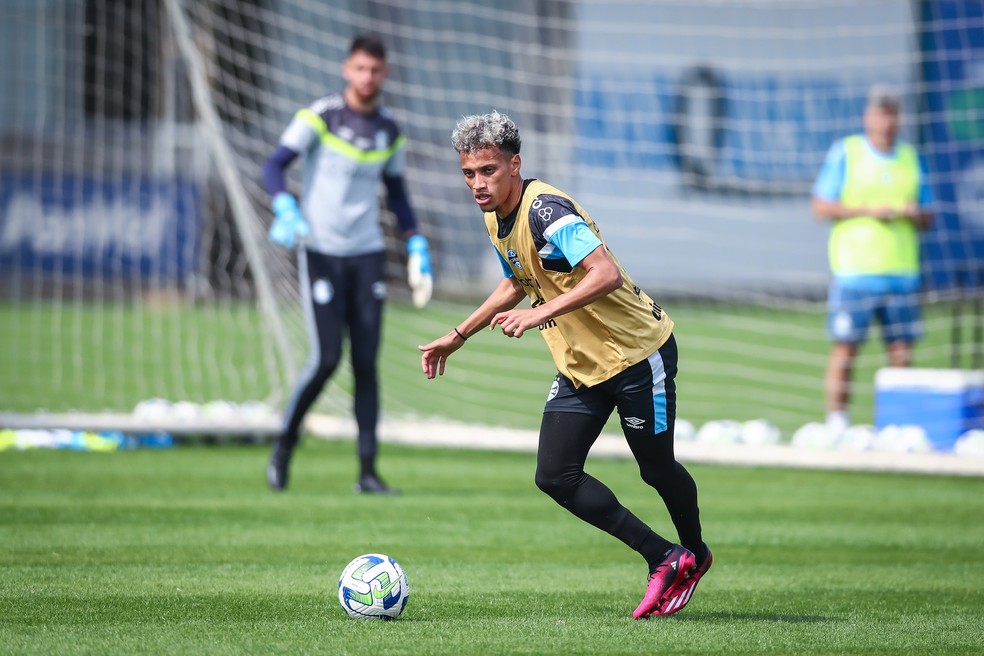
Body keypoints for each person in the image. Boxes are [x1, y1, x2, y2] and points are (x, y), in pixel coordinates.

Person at [418, 111, 709, 618]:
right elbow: (516, 278)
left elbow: (606, 274)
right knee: (554, 474)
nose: (478, 184)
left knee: (655, 468)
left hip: (637, 354)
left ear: (515, 164)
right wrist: (458, 335)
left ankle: (694, 553)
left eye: (488, 170)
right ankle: (664, 557)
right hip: (581, 364)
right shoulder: (495, 217)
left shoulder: (546, 211)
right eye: (469, 173)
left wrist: (538, 315)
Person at [262, 34, 432, 494]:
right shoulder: (321, 117)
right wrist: (285, 206)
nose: (367, 77)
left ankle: (368, 473)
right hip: (320, 252)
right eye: (360, 68)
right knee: (326, 358)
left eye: (375, 70)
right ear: (346, 69)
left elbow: (396, 193)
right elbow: (274, 167)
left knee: (365, 362)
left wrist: (416, 242)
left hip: (368, 256)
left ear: (385, 73)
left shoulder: (390, 130)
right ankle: (282, 449)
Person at [812, 85, 934, 436]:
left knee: (901, 353)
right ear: (868, 117)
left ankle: (900, 427)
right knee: (846, 348)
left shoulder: (911, 158)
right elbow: (821, 205)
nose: (886, 123)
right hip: (856, 273)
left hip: (902, 274)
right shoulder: (847, 153)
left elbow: (930, 215)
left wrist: (914, 213)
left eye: (892, 115)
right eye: (880, 115)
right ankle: (837, 424)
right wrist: (869, 211)